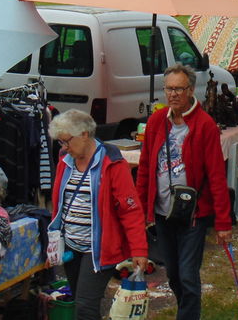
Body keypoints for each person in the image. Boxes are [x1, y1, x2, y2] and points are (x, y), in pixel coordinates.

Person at [136, 65, 231, 320]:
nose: (173, 94)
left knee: (188, 274)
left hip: (194, 214)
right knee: (175, 274)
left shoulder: (205, 125)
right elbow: (145, 168)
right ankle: (185, 309)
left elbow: (216, 177)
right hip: (163, 212)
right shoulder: (156, 121)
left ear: (190, 90)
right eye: (169, 88)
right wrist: (141, 210)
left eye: (179, 88)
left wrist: (223, 222)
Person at [49, 110, 148, 320]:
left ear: (84, 134)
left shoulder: (112, 163)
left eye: (67, 141)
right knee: (82, 301)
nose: (64, 147)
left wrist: (139, 249)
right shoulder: (65, 161)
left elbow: (130, 210)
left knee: (85, 306)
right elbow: (60, 202)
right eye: (61, 143)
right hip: (71, 246)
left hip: (98, 250)